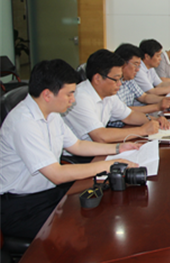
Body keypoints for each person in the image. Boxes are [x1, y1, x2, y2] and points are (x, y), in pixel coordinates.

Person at [0, 59, 139, 240]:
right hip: (21, 207)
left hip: (48, 194)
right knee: (85, 228)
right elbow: (56, 174)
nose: (73, 100)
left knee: (105, 203)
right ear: (47, 94)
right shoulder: (24, 123)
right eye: (69, 94)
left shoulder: (51, 113)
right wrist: (109, 165)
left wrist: (118, 148)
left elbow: (77, 145)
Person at [63, 49, 165, 143]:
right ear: (97, 78)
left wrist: (154, 120)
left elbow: (129, 115)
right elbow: (100, 136)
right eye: (115, 79)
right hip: (79, 154)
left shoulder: (108, 94)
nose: (119, 84)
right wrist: (142, 130)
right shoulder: (79, 97)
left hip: (97, 148)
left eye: (120, 79)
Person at [109, 43, 170, 128]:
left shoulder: (129, 80)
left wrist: (167, 100)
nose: (137, 69)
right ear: (123, 64)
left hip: (130, 124)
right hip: (117, 128)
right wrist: (157, 106)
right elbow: (126, 111)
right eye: (135, 65)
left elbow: (144, 97)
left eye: (139, 66)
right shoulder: (112, 84)